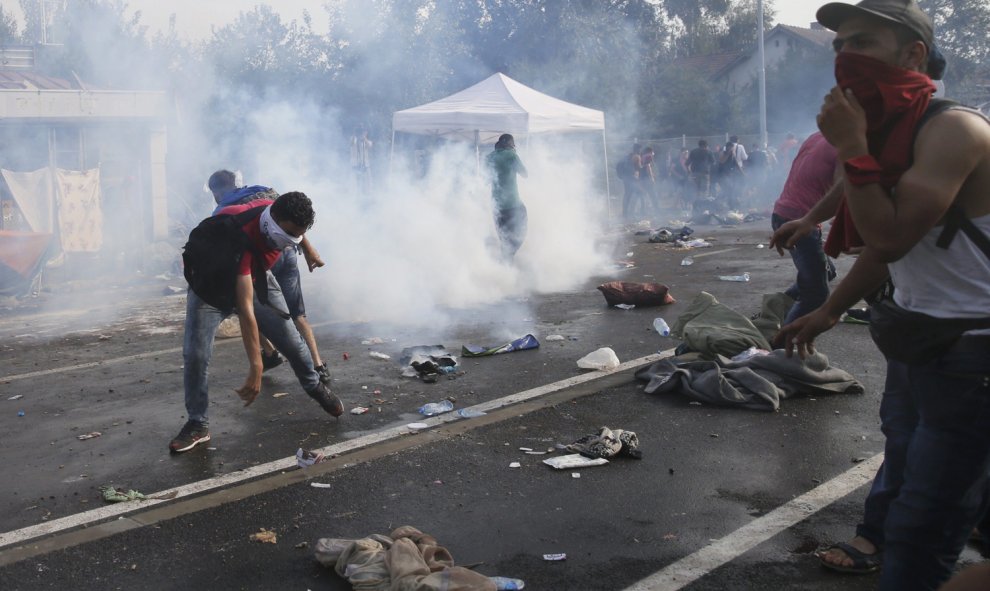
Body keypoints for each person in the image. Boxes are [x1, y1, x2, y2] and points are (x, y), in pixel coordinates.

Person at [776, 1, 990, 589]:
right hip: (920, 336)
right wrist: (827, 308)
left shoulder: (955, 130)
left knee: (920, 536)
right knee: (908, 445)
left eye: (864, 43)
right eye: (840, 47)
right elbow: (868, 214)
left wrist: (848, 144)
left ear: (913, 54)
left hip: (973, 352)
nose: (846, 57)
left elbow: (889, 235)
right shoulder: (888, 131)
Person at [171, 192, 344, 454]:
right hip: (209, 291)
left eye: (296, 236)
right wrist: (256, 365)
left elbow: (295, 230)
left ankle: (314, 385)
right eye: (288, 235)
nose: (289, 242)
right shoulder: (238, 237)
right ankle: (198, 423)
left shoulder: (272, 207)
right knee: (195, 355)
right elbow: (246, 310)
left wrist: (308, 248)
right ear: (273, 220)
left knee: (292, 341)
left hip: (256, 277)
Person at [207, 171, 332, 387]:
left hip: (263, 260)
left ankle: (270, 352)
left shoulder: (222, 210)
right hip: (289, 253)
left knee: (249, 309)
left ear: (216, 192)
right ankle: (319, 366)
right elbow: (293, 216)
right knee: (298, 315)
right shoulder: (260, 191)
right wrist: (310, 249)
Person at [769, 132, 841, 325]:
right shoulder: (845, 145)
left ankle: (778, 309)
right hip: (798, 220)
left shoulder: (817, 136)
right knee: (816, 294)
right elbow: (842, 190)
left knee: (826, 272)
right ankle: (781, 345)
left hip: (784, 213)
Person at [485, 134, 529, 261]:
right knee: (520, 234)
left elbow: (485, 179)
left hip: (497, 207)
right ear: (511, 144)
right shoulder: (511, 155)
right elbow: (525, 174)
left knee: (504, 239)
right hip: (513, 205)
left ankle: (505, 267)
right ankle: (508, 259)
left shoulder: (489, 158)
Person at [639, 146, 659, 213]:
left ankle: (643, 210)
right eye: (652, 152)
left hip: (641, 178)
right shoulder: (648, 156)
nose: (653, 154)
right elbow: (648, 166)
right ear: (650, 151)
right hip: (646, 178)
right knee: (653, 194)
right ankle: (656, 209)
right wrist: (652, 178)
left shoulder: (641, 156)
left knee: (643, 194)